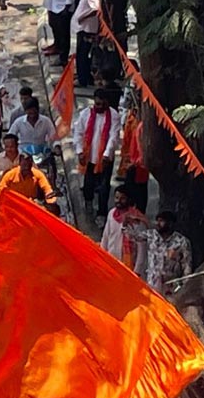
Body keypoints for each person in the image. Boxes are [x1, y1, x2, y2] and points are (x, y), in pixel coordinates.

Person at [73, 89, 123, 222]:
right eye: (97, 104)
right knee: (88, 183)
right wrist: (79, 152)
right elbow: (78, 133)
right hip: (89, 156)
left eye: (101, 104)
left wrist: (107, 154)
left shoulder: (113, 115)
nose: (98, 107)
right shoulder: (85, 114)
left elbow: (113, 136)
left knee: (104, 186)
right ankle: (88, 202)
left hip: (105, 158)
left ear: (107, 102)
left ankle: (102, 212)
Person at [123, 211, 192, 295]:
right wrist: (127, 224)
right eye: (157, 221)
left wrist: (184, 286)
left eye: (161, 221)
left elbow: (187, 266)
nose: (158, 224)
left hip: (171, 287)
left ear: (170, 224)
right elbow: (133, 236)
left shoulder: (182, 241)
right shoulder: (152, 235)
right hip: (152, 284)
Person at [100, 187, 146, 271]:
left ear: (129, 200)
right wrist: (102, 257)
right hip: (111, 260)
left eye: (123, 198)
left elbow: (141, 249)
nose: (119, 201)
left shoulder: (136, 220)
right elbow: (105, 237)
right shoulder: (111, 214)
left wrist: (137, 271)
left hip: (130, 265)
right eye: (117, 198)